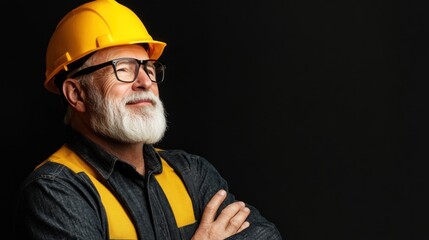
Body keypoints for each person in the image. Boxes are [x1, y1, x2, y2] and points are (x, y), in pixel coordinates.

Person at [13, 0, 282, 239]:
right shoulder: (55, 190)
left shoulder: (191, 172)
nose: (145, 82)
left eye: (149, 68)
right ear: (77, 93)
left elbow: (266, 235)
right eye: (124, 70)